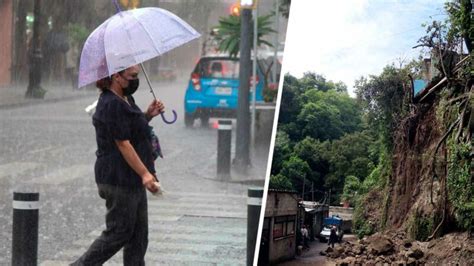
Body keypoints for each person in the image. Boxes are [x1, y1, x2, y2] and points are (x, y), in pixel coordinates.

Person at [71, 65, 164, 265]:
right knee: (118, 233)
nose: (135, 80)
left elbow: (131, 129)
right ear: (116, 76)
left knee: (139, 236)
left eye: (137, 75)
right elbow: (123, 143)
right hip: (117, 178)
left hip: (131, 177)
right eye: (132, 76)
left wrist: (147, 115)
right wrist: (145, 174)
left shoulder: (125, 99)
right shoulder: (111, 103)